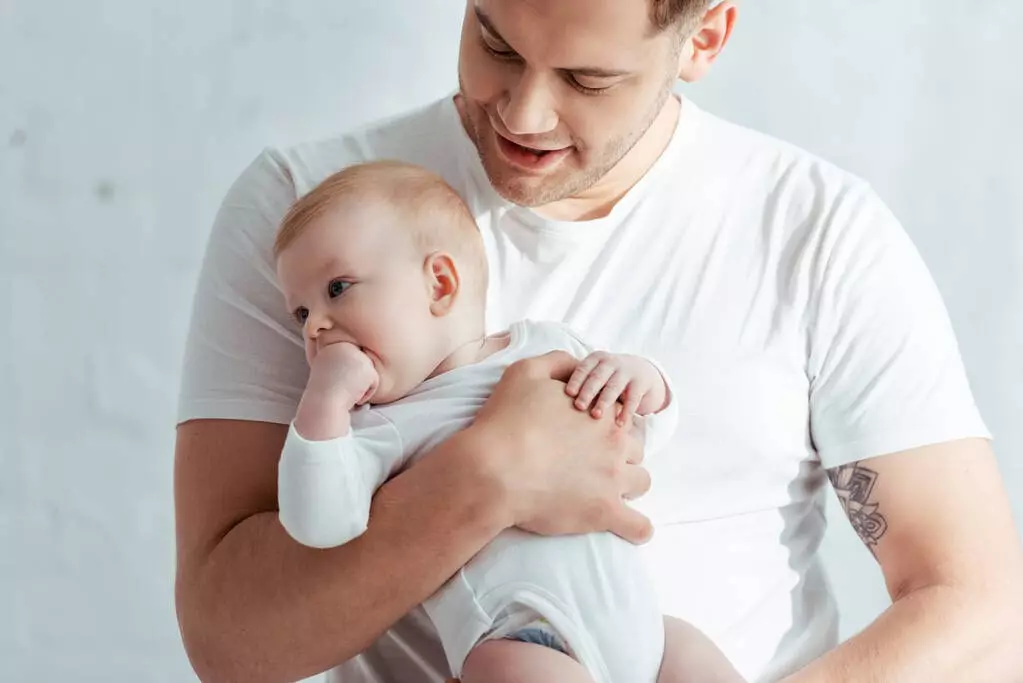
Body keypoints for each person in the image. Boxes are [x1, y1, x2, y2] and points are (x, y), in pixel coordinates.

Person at [174, 1, 1023, 682]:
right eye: (495, 44)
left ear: (704, 37)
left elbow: (980, 609)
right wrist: (486, 478)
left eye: (588, 76)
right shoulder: (312, 226)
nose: (523, 112)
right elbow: (230, 643)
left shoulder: (814, 229)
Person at [272, 159, 745, 683]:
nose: (315, 326)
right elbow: (320, 524)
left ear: (440, 284)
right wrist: (324, 404)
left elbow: (640, 434)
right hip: (521, 640)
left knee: (695, 652)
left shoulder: (547, 347)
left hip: (649, 638)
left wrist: (643, 380)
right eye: (300, 314)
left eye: (337, 288)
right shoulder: (378, 427)